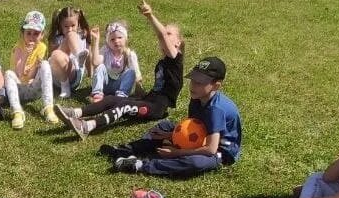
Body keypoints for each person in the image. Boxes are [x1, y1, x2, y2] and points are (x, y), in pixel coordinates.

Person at [57, 0, 183, 138]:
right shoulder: (163, 62)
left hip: (157, 108)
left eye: (169, 33)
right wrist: (140, 90)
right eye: (166, 33)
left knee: (124, 106)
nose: (164, 35)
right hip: (149, 100)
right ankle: (75, 113)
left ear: (178, 42)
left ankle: (87, 126)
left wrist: (150, 16)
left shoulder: (175, 60)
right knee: (111, 99)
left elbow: (162, 35)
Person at [102, 56, 242, 179]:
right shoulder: (196, 98)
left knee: (194, 162)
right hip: (204, 137)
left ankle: (140, 165)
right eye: (193, 80)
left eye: (200, 83)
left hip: (220, 151)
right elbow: (194, 129)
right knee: (164, 126)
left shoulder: (216, 109)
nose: (193, 86)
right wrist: (170, 135)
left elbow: (210, 149)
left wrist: (177, 153)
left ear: (216, 86)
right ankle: (127, 149)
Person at [3, 10, 57, 127]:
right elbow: (19, 74)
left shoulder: (42, 47)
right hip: (19, 90)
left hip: (34, 89)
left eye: (36, 33)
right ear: (23, 33)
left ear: (42, 35)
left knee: (45, 64)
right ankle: (17, 112)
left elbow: (34, 73)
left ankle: (48, 108)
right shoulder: (18, 48)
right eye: (29, 33)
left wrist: (33, 73)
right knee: (8, 73)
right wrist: (25, 55)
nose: (32, 37)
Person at [88, 19, 141, 103]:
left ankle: (121, 96)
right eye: (112, 39)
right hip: (105, 84)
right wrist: (96, 40)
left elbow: (137, 75)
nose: (116, 41)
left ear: (126, 39)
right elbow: (95, 62)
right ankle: (97, 94)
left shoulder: (129, 54)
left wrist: (139, 90)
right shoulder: (105, 51)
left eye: (120, 37)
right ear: (107, 42)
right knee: (100, 67)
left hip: (119, 85)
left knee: (131, 72)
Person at [47, 5, 92, 99]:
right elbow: (49, 59)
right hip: (56, 77)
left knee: (71, 35)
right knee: (55, 55)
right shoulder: (56, 39)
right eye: (66, 26)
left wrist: (90, 73)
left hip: (74, 75)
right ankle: (64, 87)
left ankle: (78, 55)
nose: (70, 29)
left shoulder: (82, 37)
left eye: (73, 25)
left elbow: (89, 57)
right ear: (60, 25)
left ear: (78, 24)